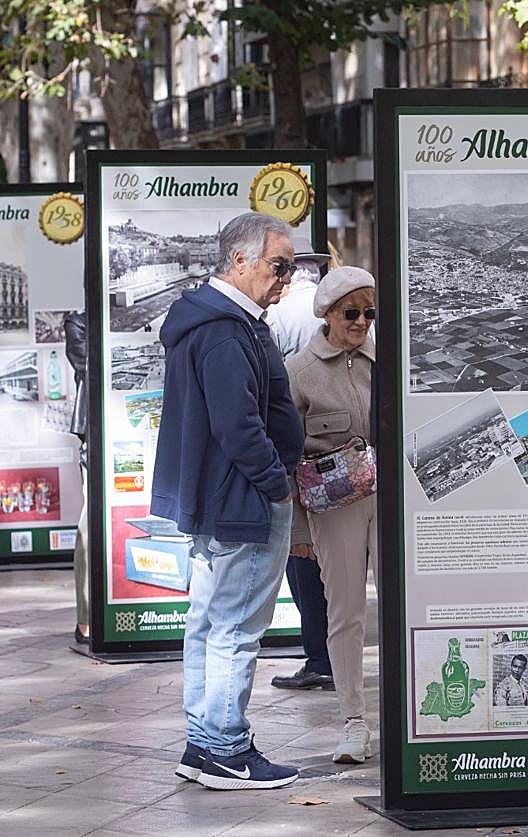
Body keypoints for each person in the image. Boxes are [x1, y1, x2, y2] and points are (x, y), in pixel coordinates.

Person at [150, 212, 305, 790]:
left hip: (223, 499)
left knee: (209, 623)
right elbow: (237, 425)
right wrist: (277, 483)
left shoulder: (216, 322)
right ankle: (223, 748)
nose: (286, 279)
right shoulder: (224, 330)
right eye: (278, 266)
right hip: (244, 502)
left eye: (291, 268)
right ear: (238, 260)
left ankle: (206, 742)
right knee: (234, 628)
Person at [286, 266, 377, 763]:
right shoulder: (299, 372)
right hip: (332, 510)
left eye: (369, 311)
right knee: (345, 615)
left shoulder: (387, 361)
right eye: (351, 312)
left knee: (407, 605)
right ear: (327, 314)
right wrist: (299, 532)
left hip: (388, 502)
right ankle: (353, 723)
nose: (361, 321)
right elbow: (286, 457)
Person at [265, 237, 336, 692]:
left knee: (303, 555)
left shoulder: (277, 316)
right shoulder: (343, 311)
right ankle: (337, 653)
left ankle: (319, 657)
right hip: (350, 454)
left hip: (302, 453)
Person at [64, 310, 89, 645]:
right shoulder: (80, 322)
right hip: (97, 432)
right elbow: (89, 367)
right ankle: (88, 617)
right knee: (91, 528)